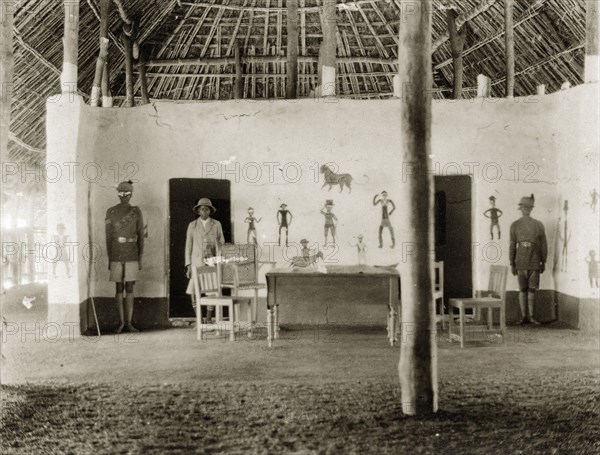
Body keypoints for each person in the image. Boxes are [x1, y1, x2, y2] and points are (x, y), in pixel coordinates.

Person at [105, 181, 144, 333]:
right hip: (116, 252)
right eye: (121, 193)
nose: (124, 197)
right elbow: (108, 237)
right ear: (118, 194)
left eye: (127, 194)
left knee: (130, 287)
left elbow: (141, 236)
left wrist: (140, 257)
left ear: (131, 194)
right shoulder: (110, 212)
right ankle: (121, 323)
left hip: (132, 253)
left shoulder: (136, 212)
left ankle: (129, 323)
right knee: (118, 287)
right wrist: (109, 258)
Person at [185, 198, 225, 323]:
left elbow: (221, 244)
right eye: (201, 209)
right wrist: (188, 264)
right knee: (194, 290)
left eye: (207, 209)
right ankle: (199, 320)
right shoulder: (192, 225)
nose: (204, 211)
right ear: (198, 211)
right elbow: (188, 246)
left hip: (210, 262)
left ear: (210, 211)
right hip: (196, 262)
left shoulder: (216, 224)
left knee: (211, 291)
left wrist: (217, 260)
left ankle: (208, 318)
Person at [509, 194, 547, 325]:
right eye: (523, 207)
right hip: (520, 263)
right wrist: (512, 263)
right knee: (522, 289)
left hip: (535, 261)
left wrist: (544, 261)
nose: (525, 209)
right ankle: (524, 317)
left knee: (531, 290)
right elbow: (512, 245)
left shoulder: (538, 225)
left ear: (531, 209)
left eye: (528, 207)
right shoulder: (514, 225)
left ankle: (531, 316)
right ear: (520, 209)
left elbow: (544, 244)